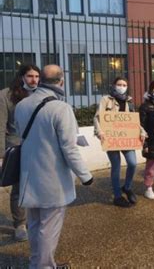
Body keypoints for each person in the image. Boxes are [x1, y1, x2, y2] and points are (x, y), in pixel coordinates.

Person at [15, 65, 93, 268]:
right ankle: (44, 266)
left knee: (33, 224)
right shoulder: (61, 108)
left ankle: (36, 262)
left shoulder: (22, 105)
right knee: (49, 227)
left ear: (40, 80)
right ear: (61, 81)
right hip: (52, 178)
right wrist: (85, 176)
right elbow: (69, 148)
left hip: (28, 175)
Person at [0, 64, 40, 242]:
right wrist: (1, 153)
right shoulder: (6, 95)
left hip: (39, 147)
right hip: (16, 147)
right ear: (22, 76)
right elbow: (1, 126)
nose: (34, 80)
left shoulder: (41, 95)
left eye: (37, 76)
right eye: (30, 76)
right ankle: (20, 224)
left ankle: (35, 220)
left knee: (39, 185)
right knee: (18, 187)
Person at [94, 77, 145, 208]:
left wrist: (142, 131)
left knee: (132, 163)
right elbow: (98, 117)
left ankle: (127, 187)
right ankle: (117, 196)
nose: (121, 86)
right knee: (116, 166)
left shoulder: (129, 101)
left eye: (124, 85)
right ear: (113, 85)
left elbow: (134, 120)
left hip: (127, 139)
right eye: (119, 84)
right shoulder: (106, 99)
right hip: (111, 139)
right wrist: (99, 132)